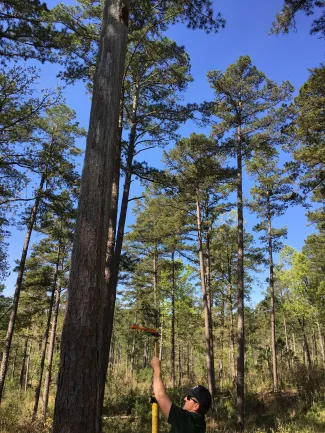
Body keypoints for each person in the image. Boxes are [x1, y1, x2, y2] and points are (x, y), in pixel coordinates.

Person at [150, 356, 212, 433]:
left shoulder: (187, 422)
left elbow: (160, 395)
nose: (185, 398)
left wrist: (156, 369)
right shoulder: (200, 422)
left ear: (196, 406)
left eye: (189, 397)